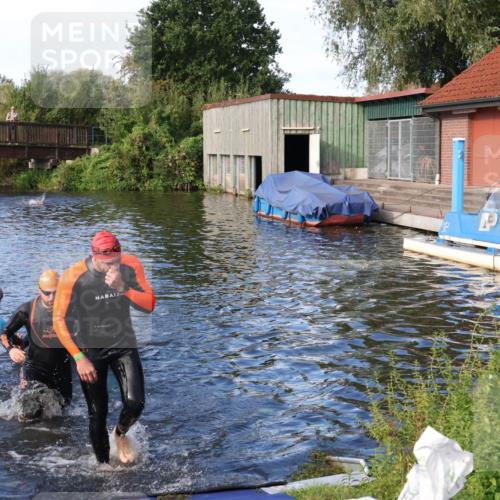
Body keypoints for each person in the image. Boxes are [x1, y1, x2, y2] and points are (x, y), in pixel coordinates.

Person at [53, 231, 155, 464]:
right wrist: (78, 357)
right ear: (94, 256)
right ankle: (104, 467)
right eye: (108, 263)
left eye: (116, 261)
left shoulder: (130, 266)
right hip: (90, 350)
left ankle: (119, 434)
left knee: (135, 403)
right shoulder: (73, 276)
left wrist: (123, 288)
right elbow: (58, 321)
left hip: (124, 344)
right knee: (97, 413)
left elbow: (149, 305)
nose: (113, 266)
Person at [0, 271, 72, 420]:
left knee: (62, 417)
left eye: (56, 293)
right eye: (47, 293)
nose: (52, 298)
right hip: (35, 370)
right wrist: (10, 349)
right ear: (39, 290)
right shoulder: (26, 310)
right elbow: (4, 334)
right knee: (29, 417)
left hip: (62, 371)